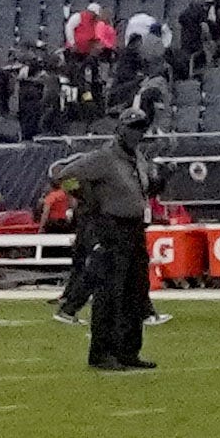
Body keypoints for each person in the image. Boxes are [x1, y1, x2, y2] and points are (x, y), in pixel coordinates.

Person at [68, 116, 155, 369]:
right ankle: (101, 353)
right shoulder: (103, 158)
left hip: (135, 229)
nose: (138, 133)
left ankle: (128, 350)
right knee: (109, 292)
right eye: (134, 128)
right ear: (121, 130)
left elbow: (142, 190)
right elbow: (65, 177)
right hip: (112, 228)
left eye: (141, 129)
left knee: (136, 291)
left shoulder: (138, 158)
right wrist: (88, 200)